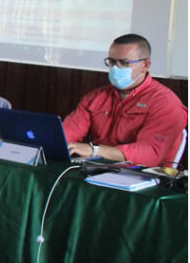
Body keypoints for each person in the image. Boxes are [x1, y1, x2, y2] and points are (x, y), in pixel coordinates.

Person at [63, 34, 188, 166]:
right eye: (111, 62)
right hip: (96, 167)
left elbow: (149, 154)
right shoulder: (96, 97)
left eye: (124, 63)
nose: (115, 68)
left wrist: (95, 151)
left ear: (145, 65)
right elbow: (68, 132)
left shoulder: (166, 104)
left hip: (143, 176)